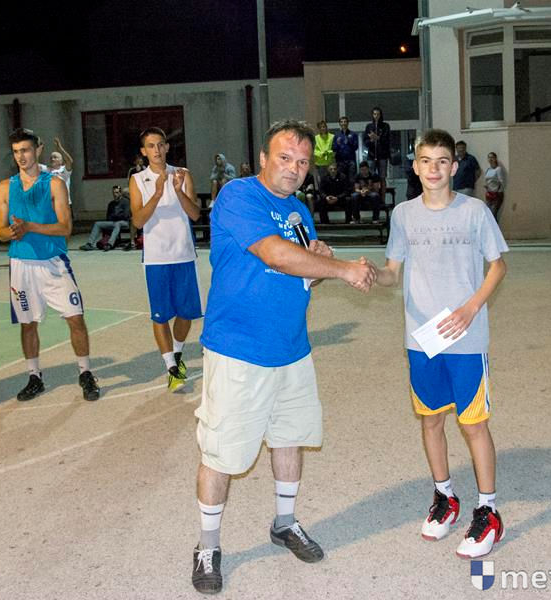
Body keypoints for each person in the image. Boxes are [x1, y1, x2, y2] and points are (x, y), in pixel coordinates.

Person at [191, 119, 378, 594]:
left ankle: (284, 523)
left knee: (290, 438)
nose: (294, 168)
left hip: (292, 349)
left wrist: (318, 263)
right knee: (222, 451)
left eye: (302, 161)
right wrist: (342, 270)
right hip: (239, 349)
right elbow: (274, 255)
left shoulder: (298, 211)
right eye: (285, 157)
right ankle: (208, 545)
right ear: (263, 158)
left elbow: (297, 275)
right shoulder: (239, 195)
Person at [376, 128, 508, 560]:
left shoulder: (474, 212)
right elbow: (392, 272)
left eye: (442, 161)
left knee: (473, 424)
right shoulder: (403, 215)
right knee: (431, 420)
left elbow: (498, 266)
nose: (433, 169)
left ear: (454, 166)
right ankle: (445, 497)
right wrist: (369, 274)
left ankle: (488, 510)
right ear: (415, 167)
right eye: (426, 161)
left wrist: (471, 307)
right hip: (422, 338)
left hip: (466, 336)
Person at [0, 128, 100, 402]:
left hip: (53, 262)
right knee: (28, 324)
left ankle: (86, 372)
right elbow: (0, 232)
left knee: (75, 318)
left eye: (25, 150)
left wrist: (29, 227)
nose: (21, 156)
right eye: (16, 152)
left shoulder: (54, 184)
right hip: (21, 265)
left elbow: (65, 228)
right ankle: (34, 376)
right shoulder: (4, 187)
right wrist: (12, 232)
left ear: (37, 150)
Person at [129, 127, 202, 392]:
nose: (157, 150)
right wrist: (158, 193)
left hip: (183, 254)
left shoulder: (182, 174)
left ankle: (178, 353)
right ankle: (171, 366)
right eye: (151, 146)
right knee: (160, 316)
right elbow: (138, 221)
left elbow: (195, 214)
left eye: (161, 144)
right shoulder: (138, 180)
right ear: (143, 151)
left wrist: (178, 192)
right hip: (156, 258)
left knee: (186, 314)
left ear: (167, 147)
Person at [79, 185, 130, 251]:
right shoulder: (111, 204)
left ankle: (109, 244)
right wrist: (114, 217)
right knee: (97, 224)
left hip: (124, 222)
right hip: (113, 222)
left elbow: (125, 215)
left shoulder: (125, 202)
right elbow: (108, 217)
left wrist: (115, 216)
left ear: (120, 193)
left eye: (117, 192)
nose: (115, 194)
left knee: (118, 224)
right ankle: (89, 244)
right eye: (113, 193)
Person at [363, 107, 391, 198]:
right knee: (370, 178)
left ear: (381, 115)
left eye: (378, 114)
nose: (376, 116)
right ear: (372, 115)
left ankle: (382, 200)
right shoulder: (369, 126)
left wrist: (378, 138)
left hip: (382, 156)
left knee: (382, 178)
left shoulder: (385, 126)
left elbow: (387, 140)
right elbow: (365, 142)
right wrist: (371, 140)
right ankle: (372, 199)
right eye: (374, 114)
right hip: (371, 156)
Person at [332, 116, 359, 181]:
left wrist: (349, 142)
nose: (343, 123)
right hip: (340, 161)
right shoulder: (336, 135)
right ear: (339, 124)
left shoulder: (353, 134)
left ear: (348, 123)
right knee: (341, 180)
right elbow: (333, 148)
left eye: (345, 122)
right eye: (341, 122)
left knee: (352, 180)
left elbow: (356, 147)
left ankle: (351, 188)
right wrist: (337, 144)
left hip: (351, 161)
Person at [484, 152, 505, 221]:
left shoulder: (498, 169)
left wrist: (497, 191)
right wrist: (487, 186)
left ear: (495, 159)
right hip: (489, 193)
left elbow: (501, 182)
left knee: (493, 214)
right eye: (489, 157)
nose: (490, 159)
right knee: (488, 214)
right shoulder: (488, 169)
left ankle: (495, 227)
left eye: (492, 157)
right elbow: (487, 180)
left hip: (497, 194)